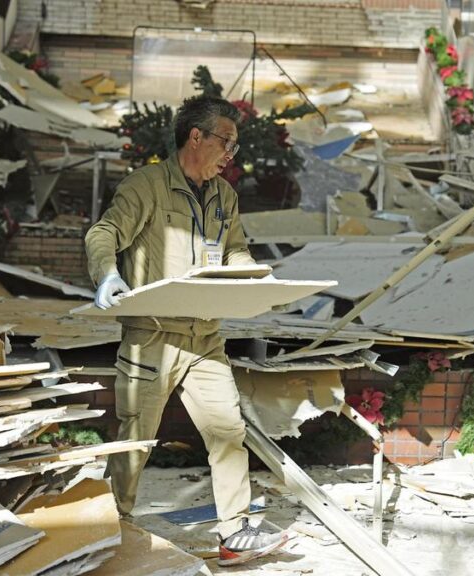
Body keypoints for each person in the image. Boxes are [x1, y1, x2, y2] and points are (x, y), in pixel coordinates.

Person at [85, 95, 286, 566]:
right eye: (226, 142)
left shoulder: (224, 197)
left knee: (228, 431)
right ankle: (112, 534)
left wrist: (255, 278)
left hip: (205, 337)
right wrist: (106, 274)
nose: (231, 155)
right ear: (196, 136)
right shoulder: (148, 186)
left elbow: (234, 250)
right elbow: (104, 232)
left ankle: (235, 533)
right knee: (136, 438)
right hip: (152, 336)